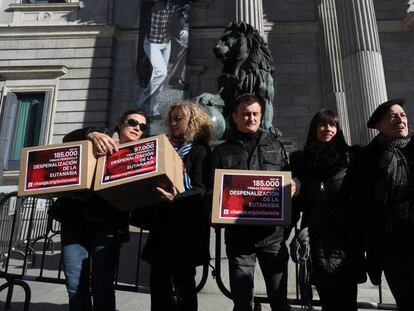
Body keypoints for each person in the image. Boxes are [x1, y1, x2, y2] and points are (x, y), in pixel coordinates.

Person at [49, 110, 148, 311]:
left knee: (103, 286)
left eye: (143, 127)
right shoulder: (99, 135)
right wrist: (92, 134)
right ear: (120, 124)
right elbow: (68, 139)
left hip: (108, 227)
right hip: (75, 221)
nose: (137, 128)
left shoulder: (141, 154)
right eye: (133, 122)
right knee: (75, 285)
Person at [211, 94, 295, 311]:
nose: (251, 118)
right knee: (241, 300)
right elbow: (212, 191)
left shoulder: (277, 145)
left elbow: (293, 177)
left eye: (255, 114)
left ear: (261, 116)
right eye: (246, 114)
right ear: (234, 117)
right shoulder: (221, 151)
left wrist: (296, 185)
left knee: (279, 300)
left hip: (272, 237)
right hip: (239, 239)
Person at [289, 110, 366, 311]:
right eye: (322, 125)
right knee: (327, 301)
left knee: (348, 301)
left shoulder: (352, 158)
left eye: (332, 125)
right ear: (314, 129)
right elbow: (296, 203)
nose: (327, 129)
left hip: (345, 239)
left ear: (338, 129)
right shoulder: (301, 161)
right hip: (315, 238)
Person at [141, 100, 212, 311]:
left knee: (184, 286)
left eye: (178, 119)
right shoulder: (162, 149)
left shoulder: (200, 151)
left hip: (185, 230)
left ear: (192, 121)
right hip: (161, 226)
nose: (172, 123)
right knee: (158, 284)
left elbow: (203, 189)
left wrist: (177, 198)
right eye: (171, 119)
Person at [352, 98, 414, 311]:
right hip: (390, 245)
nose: (400, 120)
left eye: (403, 115)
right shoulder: (366, 158)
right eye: (393, 116)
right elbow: (362, 205)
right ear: (378, 126)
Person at [136, 0, 190, 118]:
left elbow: (182, 13)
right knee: (161, 72)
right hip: (151, 43)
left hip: (166, 43)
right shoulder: (150, 4)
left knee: (161, 77)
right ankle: (141, 102)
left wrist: (184, 28)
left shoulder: (173, 5)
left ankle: (153, 110)